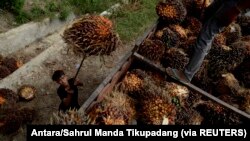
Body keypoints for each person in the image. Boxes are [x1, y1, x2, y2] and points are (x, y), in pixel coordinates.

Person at [166, 0, 250, 83]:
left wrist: (236, 10)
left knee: (206, 35)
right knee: (208, 14)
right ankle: (200, 55)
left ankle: (187, 75)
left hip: (234, 5)